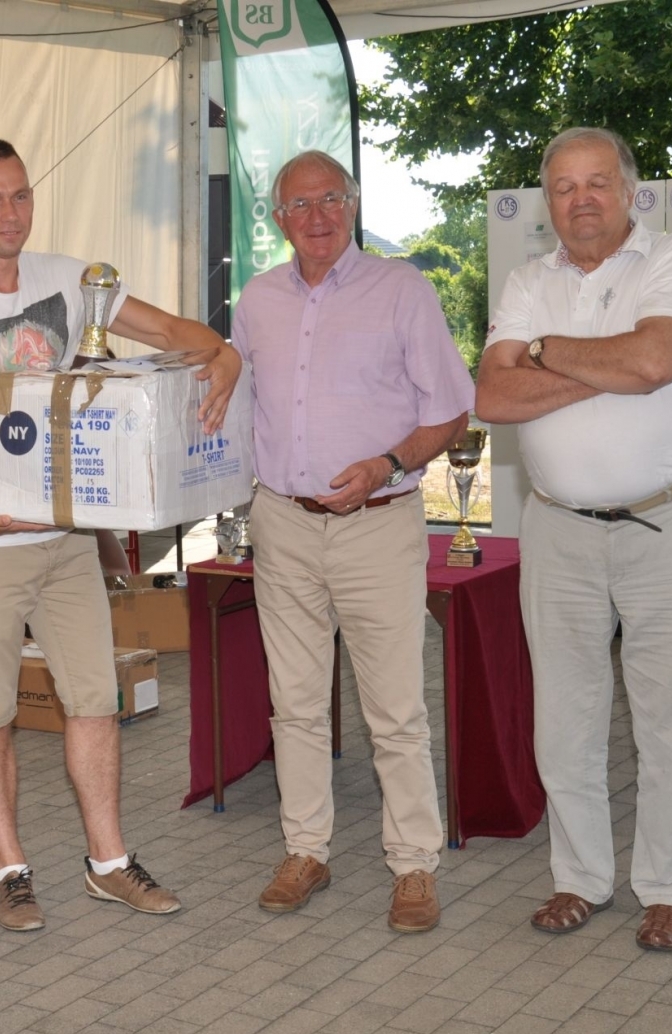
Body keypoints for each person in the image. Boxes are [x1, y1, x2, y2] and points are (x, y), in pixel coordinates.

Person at [0, 137, 240, 931]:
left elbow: (171, 333)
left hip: (66, 543)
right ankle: (10, 871)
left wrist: (224, 351)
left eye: (19, 195)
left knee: (93, 701)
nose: (8, 213)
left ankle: (108, 864)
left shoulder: (70, 280)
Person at [476, 127, 672, 952]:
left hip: (669, 525)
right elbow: (494, 398)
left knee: (670, 718)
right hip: (558, 532)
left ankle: (669, 886)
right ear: (546, 200)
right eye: (562, 186)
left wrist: (542, 352)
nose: (580, 199)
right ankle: (578, 879)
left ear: (629, 190)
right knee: (565, 717)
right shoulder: (523, 279)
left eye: (597, 183)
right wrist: (593, 369)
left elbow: (653, 361)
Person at [231, 150, 471, 932]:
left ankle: (413, 866)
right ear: (278, 220)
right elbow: (233, 403)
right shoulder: (256, 300)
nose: (318, 216)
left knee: (394, 708)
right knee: (294, 704)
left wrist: (387, 464)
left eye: (331, 198)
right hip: (282, 523)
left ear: (354, 201)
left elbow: (450, 414)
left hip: (377, 524)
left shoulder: (401, 290)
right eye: (299, 205)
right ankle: (306, 849)